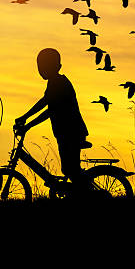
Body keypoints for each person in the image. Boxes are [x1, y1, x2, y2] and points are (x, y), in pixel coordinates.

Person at [15, 48, 91, 190]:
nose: (41, 70)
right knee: (69, 169)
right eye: (40, 67)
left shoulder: (60, 83)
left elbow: (50, 110)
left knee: (71, 170)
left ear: (57, 67)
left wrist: (28, 125)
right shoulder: (54, 82)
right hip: (65, 132)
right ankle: (81, 192)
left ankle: (86, 194)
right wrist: (24, 117)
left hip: (71, 132)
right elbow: (44, 102)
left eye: (44, 66)